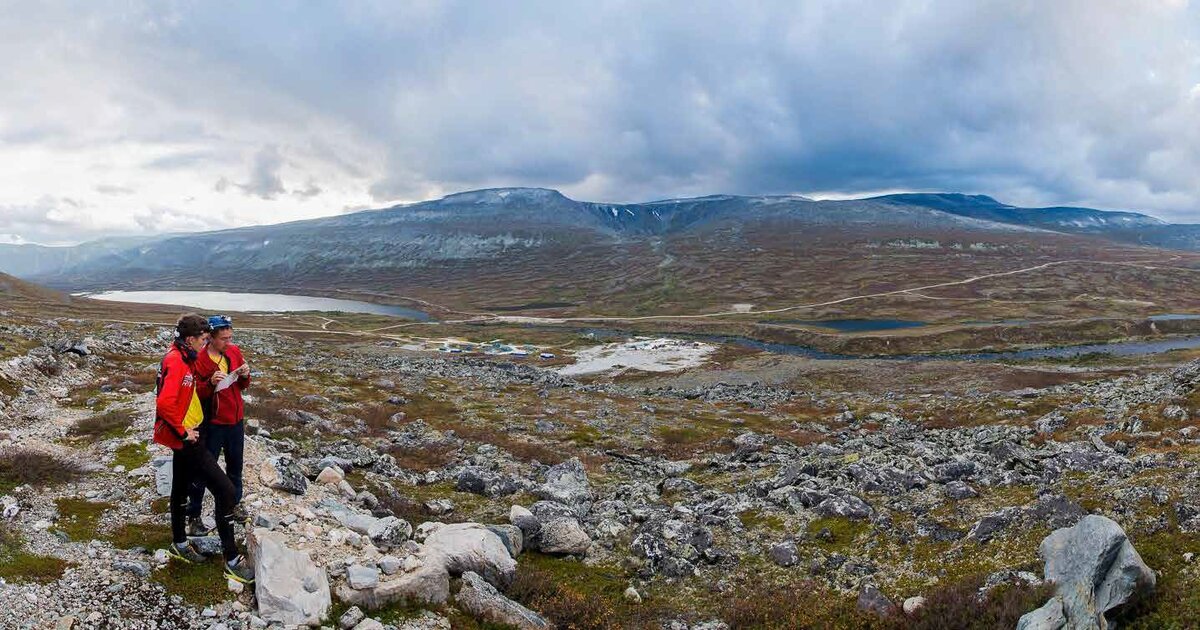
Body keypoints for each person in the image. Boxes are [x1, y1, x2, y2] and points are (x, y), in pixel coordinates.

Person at [153, 313, 254, 584]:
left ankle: (179, 543)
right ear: (190, 339)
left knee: (179, 489)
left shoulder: (182, 356)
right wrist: (183, 431)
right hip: (188, 439)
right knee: (226, 490)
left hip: (189, 433)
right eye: (203, 339)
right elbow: (164, 403)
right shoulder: (177, 361)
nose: (205, 343)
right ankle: (232, 560)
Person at [187, 314, 251, 532]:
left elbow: (243, 386)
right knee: (204, 471)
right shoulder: (200, 359)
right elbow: (195, 392)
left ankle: (233, 505)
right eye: (224, 338)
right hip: (213, 424)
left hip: (235, 421)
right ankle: (193, 514)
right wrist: (209, 383)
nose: (228, 342)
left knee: (235, 468)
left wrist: (245, 374)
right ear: (210, 338)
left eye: (230, 337)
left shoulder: (233, 352)